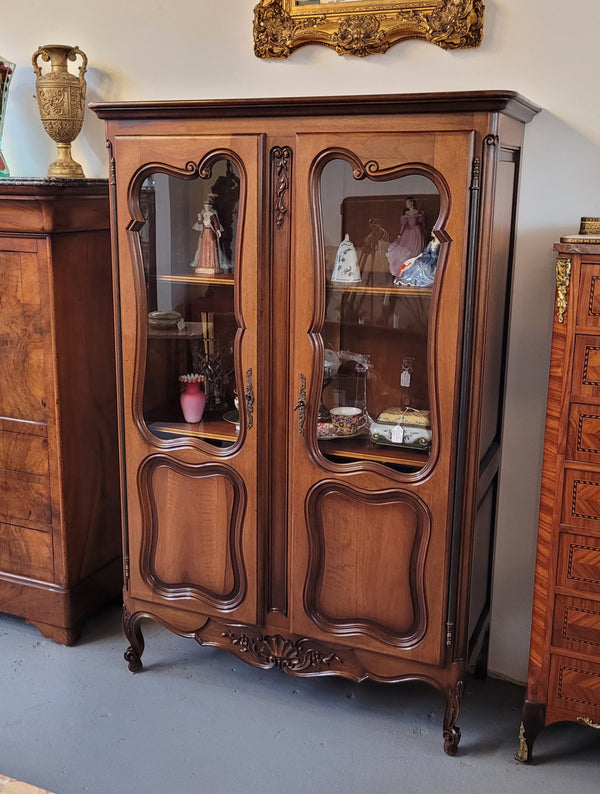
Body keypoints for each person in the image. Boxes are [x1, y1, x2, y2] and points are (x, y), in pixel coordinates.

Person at [385, 197, 426, 277]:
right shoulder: (406, 213)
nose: (406, 205)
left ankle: (413, 270)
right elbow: (403, 225)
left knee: (415, 250)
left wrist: (423, 232)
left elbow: (422, 224)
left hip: (416, 233)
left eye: (408, 202)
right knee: (401, 250)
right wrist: (400, 234)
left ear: (412, 203)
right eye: (406, 203)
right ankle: (403, 270)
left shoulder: (417, 212)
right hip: (408, 233)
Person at [189, 196, 224, 273]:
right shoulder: (203, 214)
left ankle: (212, 264)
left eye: (208, 206)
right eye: (205, 206)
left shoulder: (212, 214)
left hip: (210, 232)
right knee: (204, 246)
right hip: (205, 232)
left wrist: (218, 231)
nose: (207, 208)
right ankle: (203, 263)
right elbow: (200, 223)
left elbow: (216, 224)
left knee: (211, 246)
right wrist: (199, 219)